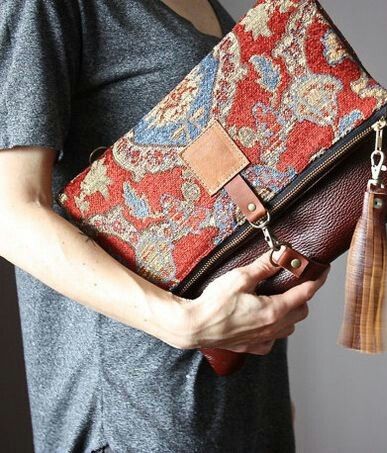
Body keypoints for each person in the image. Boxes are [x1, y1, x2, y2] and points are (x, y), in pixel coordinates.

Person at [0, 1, 330, 451]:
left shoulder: (213, 9)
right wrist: (180, 321)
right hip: (137, 409)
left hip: (242, 400)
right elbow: (11, 212)